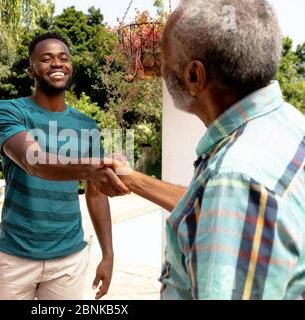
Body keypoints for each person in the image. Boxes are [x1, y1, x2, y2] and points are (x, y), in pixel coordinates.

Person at [104, 0, 305, 299]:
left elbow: (228, 198)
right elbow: (203, 207)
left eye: (163, 58)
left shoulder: (235, 181)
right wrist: (132, 179)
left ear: (194, 77)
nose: (159, 68)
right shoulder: (285, 123)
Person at [0, 32, 129, 300]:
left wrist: (108, 254)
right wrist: (92, 167)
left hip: (69, 259)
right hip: (16, 257)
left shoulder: (87, 126)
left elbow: (96, 193)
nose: (56, 64)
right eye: (46, 59)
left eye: (63, 58)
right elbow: (34, 162)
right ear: (31, 71)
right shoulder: (10, 111)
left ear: (71, 68)